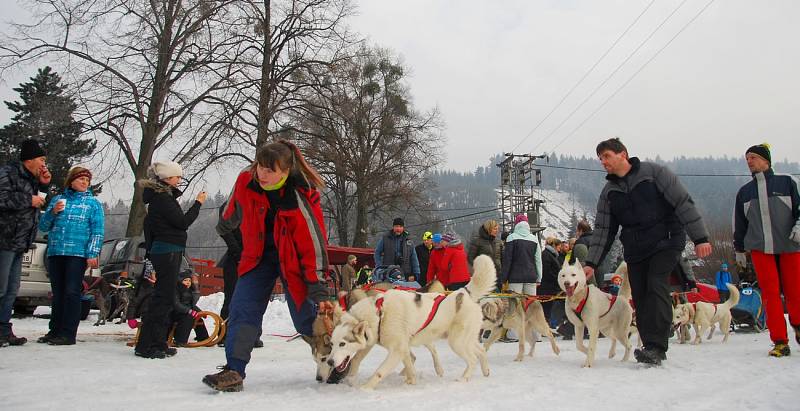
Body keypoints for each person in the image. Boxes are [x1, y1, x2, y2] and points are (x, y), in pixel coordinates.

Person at [203, 140, 332, 392]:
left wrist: (317, 285)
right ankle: (234, 371)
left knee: (305, 318)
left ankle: (335, 360)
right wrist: (226, 224)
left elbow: (313, 245)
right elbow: (233, 206)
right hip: (257, 256)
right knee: (242, 308)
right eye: (260, 166)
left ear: (285, 171)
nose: (262, 174)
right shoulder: (246, 179)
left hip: (292, 260)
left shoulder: (300, 196)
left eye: (270, 170)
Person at [583, 138, 712, 366]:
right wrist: (591, 263)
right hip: (636, 248)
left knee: (656, 283)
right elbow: (604, 230)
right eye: (600, 158)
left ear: (622, 154)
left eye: (607, 156)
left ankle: (656, 346)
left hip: (667, 240)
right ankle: (650, 343)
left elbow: (682, 202)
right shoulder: (609, 192)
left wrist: (700, 237)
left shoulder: (654, 174)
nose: (603, 162)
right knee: (640, 294)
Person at [733, 142, 800, 357]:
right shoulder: (744, 192)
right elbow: (740, 224)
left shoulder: (788, 182)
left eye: (753, 157)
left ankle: (798, 325)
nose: (749, 162)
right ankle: (780, 341)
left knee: (795, 291)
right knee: (770, 295)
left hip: (790, 244)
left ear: (766, 160)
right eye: (747, 159)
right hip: (760, 249)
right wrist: (739, 250)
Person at [134, 161, 206, 359]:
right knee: (163, 299)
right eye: (177, 177)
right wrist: (198, 204)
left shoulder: (160, 198)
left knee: (164, 298)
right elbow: (182, 223)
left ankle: (158, 342)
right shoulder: (162, 199)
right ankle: (148, 345)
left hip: (164, 251)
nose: (179, 180)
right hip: (168, 251)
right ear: (167, 178)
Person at [37, 166, 105, 345]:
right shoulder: (58, 200)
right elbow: (43, 226)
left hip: (77, 254)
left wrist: (92, 253)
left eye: (87, 180)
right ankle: (55, 330)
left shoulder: (93, 204)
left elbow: (97, 231)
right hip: (56, 251)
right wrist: (52, 213)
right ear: (72, 180)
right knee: (58, 293)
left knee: (71, 291)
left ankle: (68, 333)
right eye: (81, 179)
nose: (84, 183)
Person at [0, 139, 52, 347]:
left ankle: (3, 329)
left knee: (12, 290)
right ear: (29, 160)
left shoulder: (32, 179)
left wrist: (44, 185)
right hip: (4, 239)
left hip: (20, 242)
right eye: (41, 159)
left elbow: (40, 202)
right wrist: (28, 200)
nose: (43, 163)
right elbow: (2, 198)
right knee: (1, 288)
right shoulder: (7, 173)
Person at [499, 214, 542, 296]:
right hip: (531, 276)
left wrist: (504, 279)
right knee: (530, 304)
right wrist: (539, 278)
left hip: (515, 277)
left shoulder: (511, 238)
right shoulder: (534, 239)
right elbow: (538, 260)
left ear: (516, 225)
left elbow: (507, 261)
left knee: (515, 305)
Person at [374, 218, 420, 282]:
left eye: (400, 226)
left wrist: (416, 273)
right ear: (393, 227)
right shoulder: (385, 238)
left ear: (403, 228)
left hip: (405, 274)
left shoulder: (409, 241)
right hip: (389, 273)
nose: (398, 229)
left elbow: (414, 258)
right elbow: (377, 253)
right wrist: (379, 267)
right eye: (396, 226)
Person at [172, 271, 209, 346]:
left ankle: (203, 338)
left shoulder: (190, 291)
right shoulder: (176, 290)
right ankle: (180, 340)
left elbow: (192, 305)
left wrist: (200, 312)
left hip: (185, 312)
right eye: (185, 280)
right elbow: (176, 304)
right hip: (176, 312)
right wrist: (189, 311)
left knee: (198, 318)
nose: (188, 282)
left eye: (189, 280)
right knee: (188, 318)